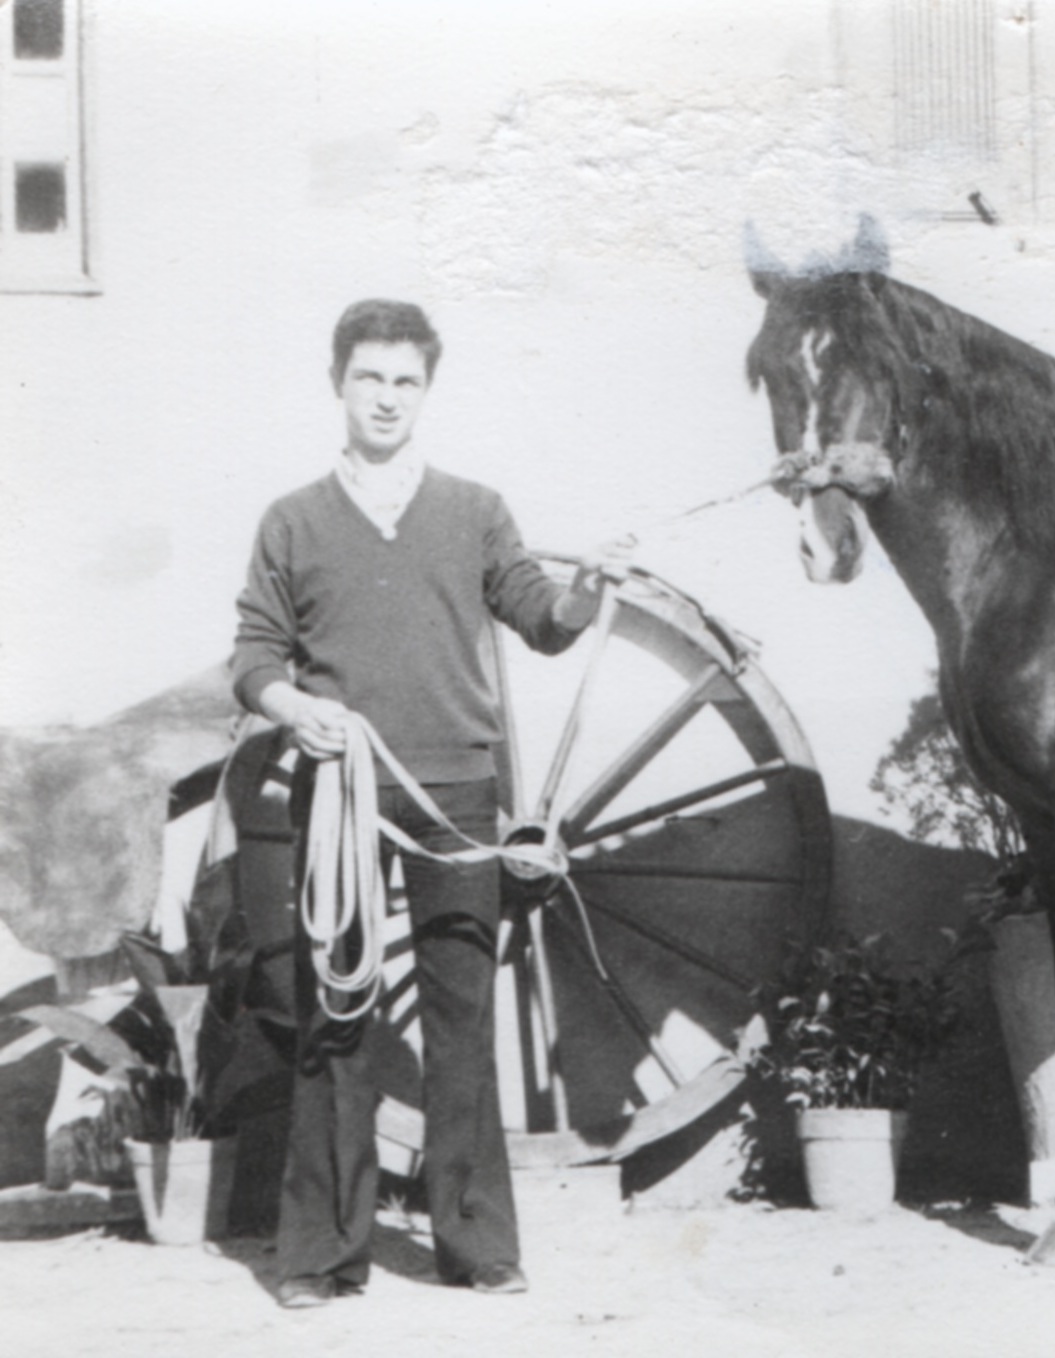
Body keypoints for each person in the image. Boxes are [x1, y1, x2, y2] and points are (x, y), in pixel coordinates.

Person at [231, 299, 638, 1309]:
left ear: (427, 391)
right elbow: (254, 655)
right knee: (339, 1017)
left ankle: (478, 1245)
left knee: (462, 1021)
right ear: (339, 382)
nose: (386, 396)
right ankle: (321, 1254)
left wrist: (588, 585)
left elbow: (543, 619)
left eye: (405, 380)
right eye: (369, 376)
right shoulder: (293, 518)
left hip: (456, 792)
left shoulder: (475, 509)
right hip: (341, 796)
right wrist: (294, 709)